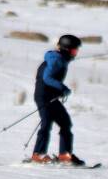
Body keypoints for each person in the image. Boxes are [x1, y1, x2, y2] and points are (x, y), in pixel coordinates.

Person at [30, 34, 85, 166]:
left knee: (65, 123)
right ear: (66, 49)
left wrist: (58, 91)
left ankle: (65, 155)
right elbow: (47, 78)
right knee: (46, 123)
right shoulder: (56, 60)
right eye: (74, 51)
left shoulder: (59, 59)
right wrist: (63, 88)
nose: (75, 54)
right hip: (43, 97)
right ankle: (38, 155)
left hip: (50, 97)